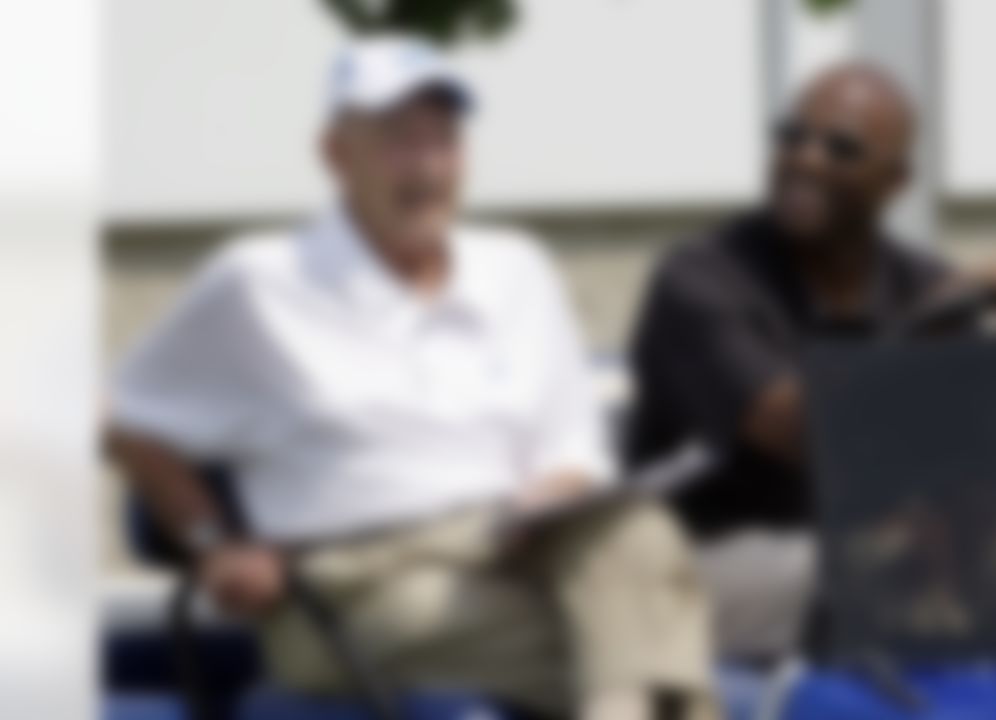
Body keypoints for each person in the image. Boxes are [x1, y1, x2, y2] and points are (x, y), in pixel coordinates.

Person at [107, 36, 718, 720]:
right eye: (400, 140)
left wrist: (554, 488)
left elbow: (575, 450)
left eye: (445, 141)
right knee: (648, 649)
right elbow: (120, 416)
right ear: (336, 154)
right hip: (355, 583)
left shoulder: (515, 268)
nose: (428, 167)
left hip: (517, 546)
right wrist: (211, 543)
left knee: (638, 529)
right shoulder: (260, 281)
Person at [627, 63, 996, 660]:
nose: (805, 158)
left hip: (872, 541)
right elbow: (801, 429)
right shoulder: (702, 280)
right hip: (712, 551)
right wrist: (924, 349)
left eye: (840, 147)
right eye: (792, 136)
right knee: (857, 574)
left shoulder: (921, 283)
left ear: (895, 181)